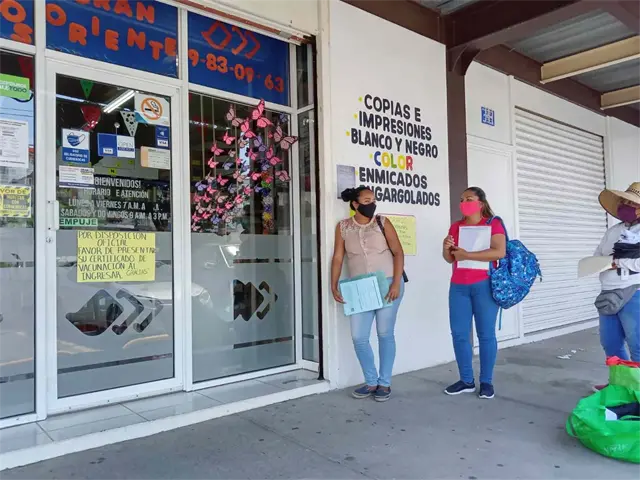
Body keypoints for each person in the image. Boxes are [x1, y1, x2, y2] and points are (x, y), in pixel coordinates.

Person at [331, 186, 405, 402]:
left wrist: (396, 283)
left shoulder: (382, 222)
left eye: (373, 200)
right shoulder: (343, 227)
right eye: (366, 200)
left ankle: (384, 383)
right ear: (355, 204)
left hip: (387, 283)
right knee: (359, 337)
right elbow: (338, 257)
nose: (371, 204)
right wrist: (333, 284)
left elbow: (398, 252)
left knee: (384, 333)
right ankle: (371, 381)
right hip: (360, 286)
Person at [442, 187, 506, 399]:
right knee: (459, 334)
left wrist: (468, 254)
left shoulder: (493, 223)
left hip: (484, 284)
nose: (464, 203)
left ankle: (486, 382)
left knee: (486, 334)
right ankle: (466, 380)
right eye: (462, 199)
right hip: (458, 286)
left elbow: (499, 252)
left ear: (481, 203)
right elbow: (450, 259)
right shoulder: (456, 226)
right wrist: (446, 247)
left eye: (469, 199)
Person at [592, 183, 640, 391]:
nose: (626, 205)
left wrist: (617, 262)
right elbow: (597, 255)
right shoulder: (613, 231)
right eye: (624, 201)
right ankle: (620, 385)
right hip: (609, 292)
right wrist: (599, 264)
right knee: (610, 342)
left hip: (634, 291)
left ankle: (637, 389)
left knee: (637, 344)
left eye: (632, 203)